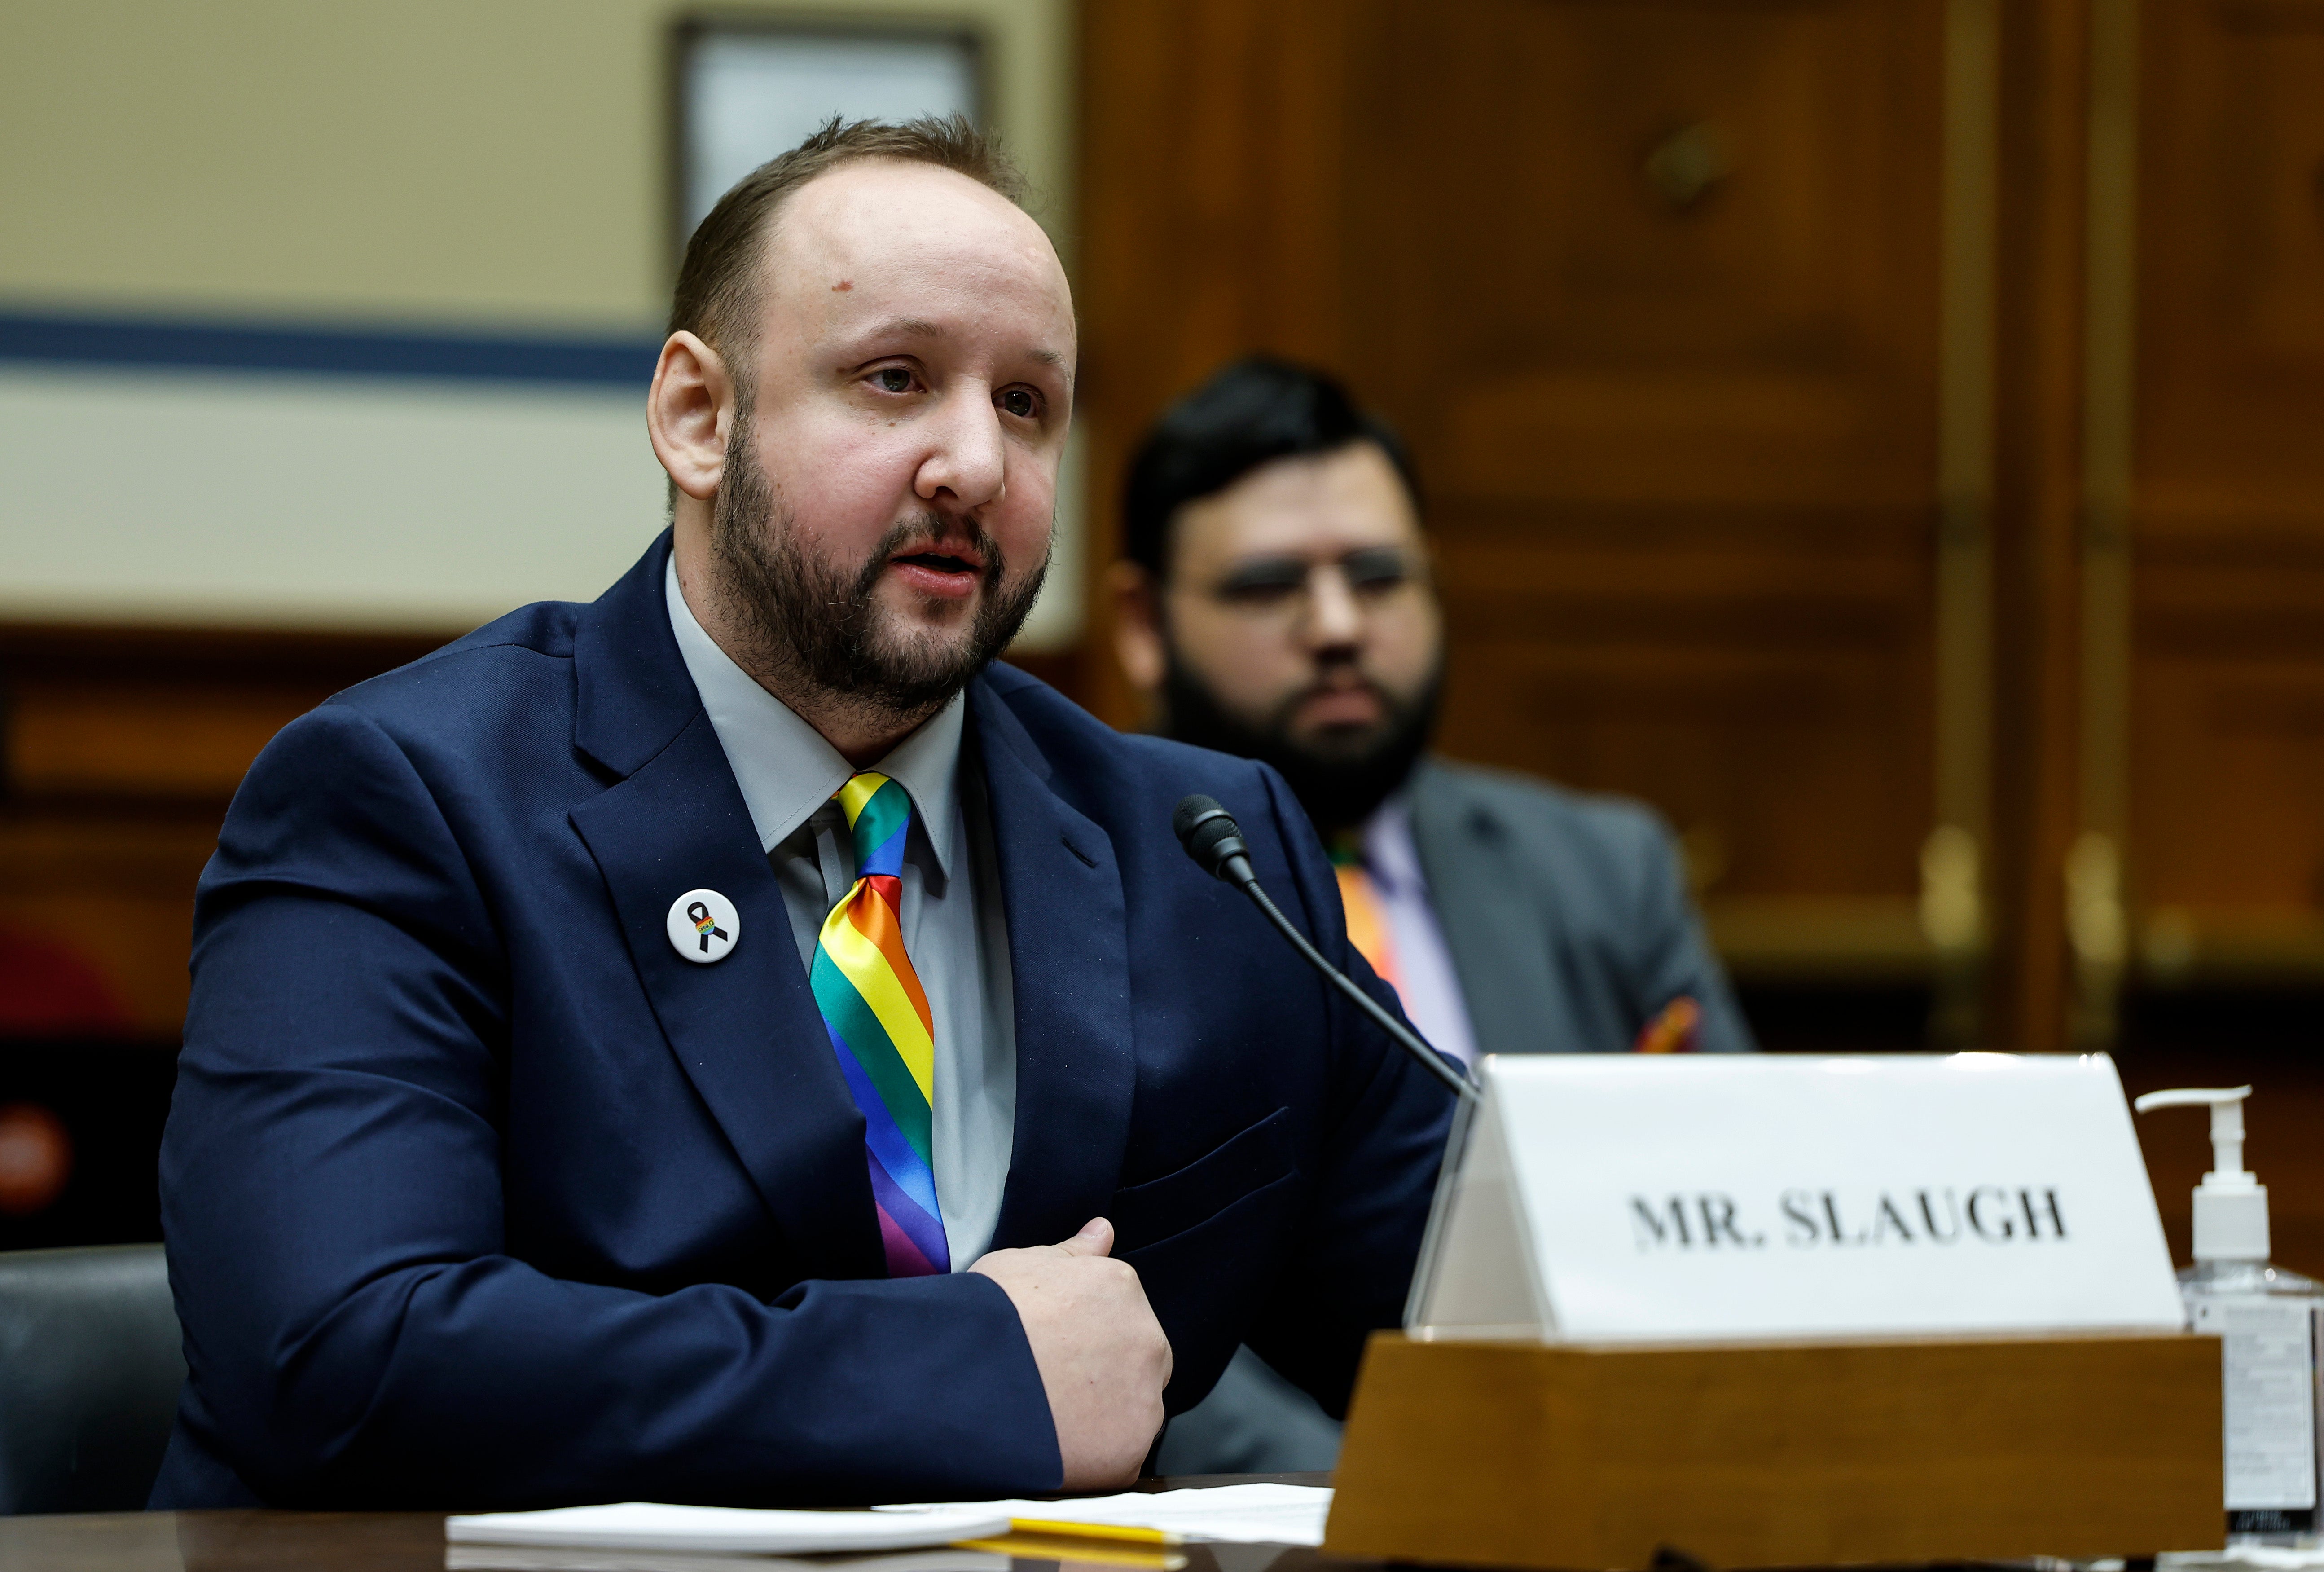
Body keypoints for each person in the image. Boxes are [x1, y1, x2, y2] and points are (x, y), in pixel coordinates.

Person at [151, 122, 1452, 1510]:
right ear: (698, 420)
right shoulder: (405, 800)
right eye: (895, 380)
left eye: (1027, 404)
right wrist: (972, 1371)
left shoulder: (1202, 850)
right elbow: (336, 1360)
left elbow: (1495, 1300)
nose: (974, 462)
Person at [1108, 356, 1752, 1471]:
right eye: (1269, 586)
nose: (1338, 625)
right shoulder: (1076, 889)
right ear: (1143, 623)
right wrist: (1400, 1492)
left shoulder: (1607, 867)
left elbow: (1743, 1213)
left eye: (1377, 575)